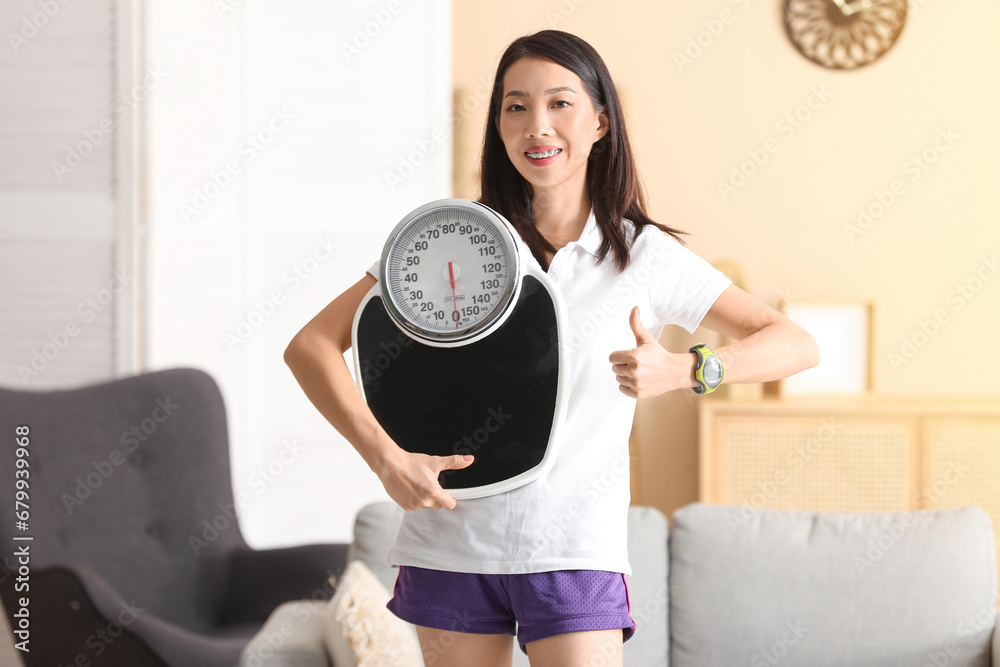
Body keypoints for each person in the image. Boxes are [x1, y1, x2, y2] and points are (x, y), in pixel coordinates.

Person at [284, 29, 820, 667]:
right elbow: (311, 346)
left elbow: (794, 342)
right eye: (516, 106)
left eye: (560, 103)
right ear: (499, 125)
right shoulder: (451, 240)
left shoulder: (644, 256)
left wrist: (686, 369)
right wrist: (385, 457)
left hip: (574, 553)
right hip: (450, 543)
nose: (537, 126)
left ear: (600, 122)